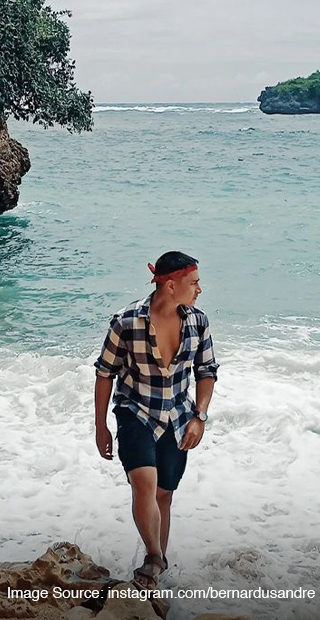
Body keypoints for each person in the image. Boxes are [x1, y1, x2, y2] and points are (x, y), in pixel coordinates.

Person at [93, 251, 219, 589]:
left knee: (164, 494)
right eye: (194, 283)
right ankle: (152, 556)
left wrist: (200, 416)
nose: (199, 289)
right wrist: (100, 425)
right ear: (171, 285)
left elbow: (206, 372)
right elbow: (105, 374)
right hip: (135, 411)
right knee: (144, 483)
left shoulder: (198, 322)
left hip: (178, 415)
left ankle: (156, 570)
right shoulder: (126, 321)